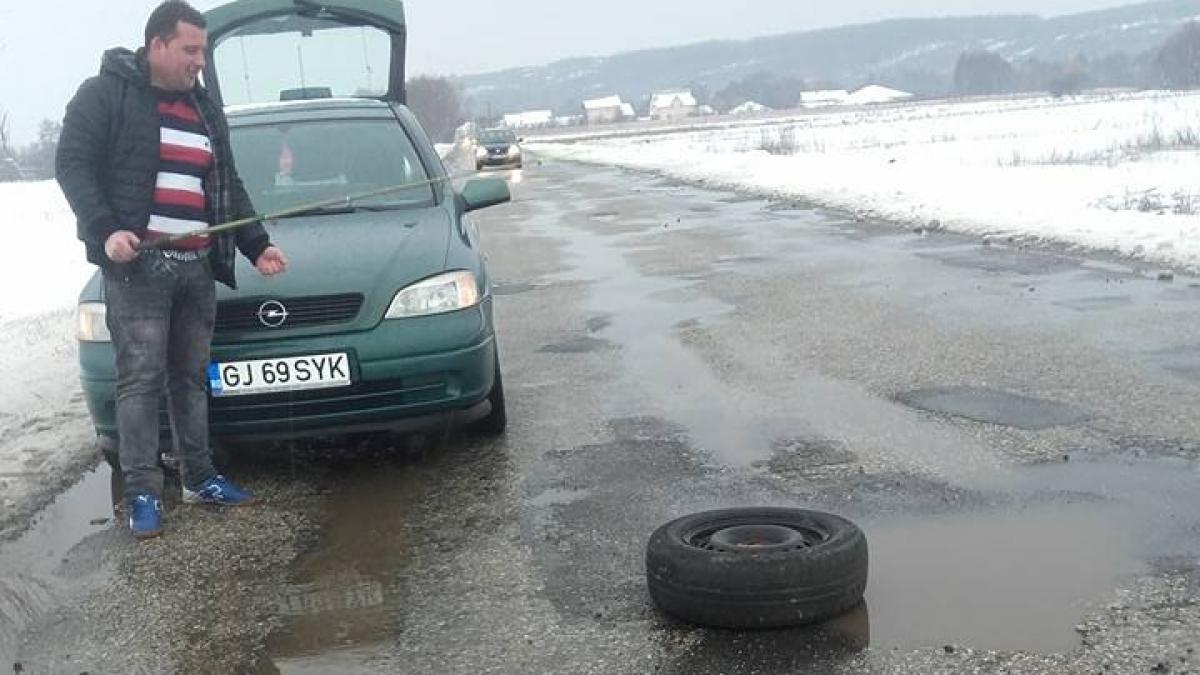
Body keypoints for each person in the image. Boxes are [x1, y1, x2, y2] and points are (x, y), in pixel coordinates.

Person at [56, 1, 289, 539]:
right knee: (139, 382)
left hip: (196, 265)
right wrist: (105, 228)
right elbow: (72, 163)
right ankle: (142, 491)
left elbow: (227, 185)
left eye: (203, 51)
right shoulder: (105, 94)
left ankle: (199, 476)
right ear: (156, 44)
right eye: (190, 50)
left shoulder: (204, 108)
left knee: (191, 378)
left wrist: (256, 244)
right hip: (139, 267)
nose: (199, 62)